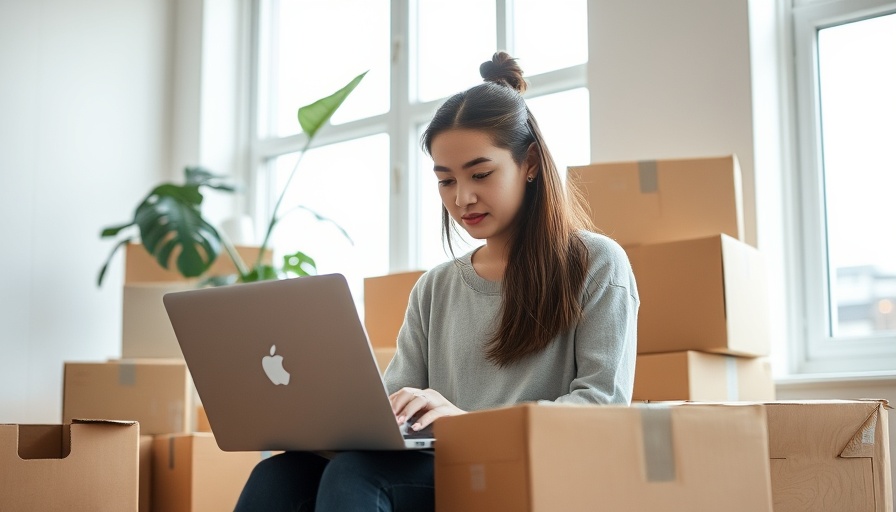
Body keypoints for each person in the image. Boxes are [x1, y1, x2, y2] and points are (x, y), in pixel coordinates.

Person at [234, 51, 639, 512]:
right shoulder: (435, 287)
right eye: (446, 181)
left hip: (528, 470)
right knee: (279, 473)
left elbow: (602, 405)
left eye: (480, 174)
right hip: (442, 467)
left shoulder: (597, 264)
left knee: (354, 477)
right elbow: (394, 406)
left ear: (529, 163)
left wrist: (464, 425)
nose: (462, 198)